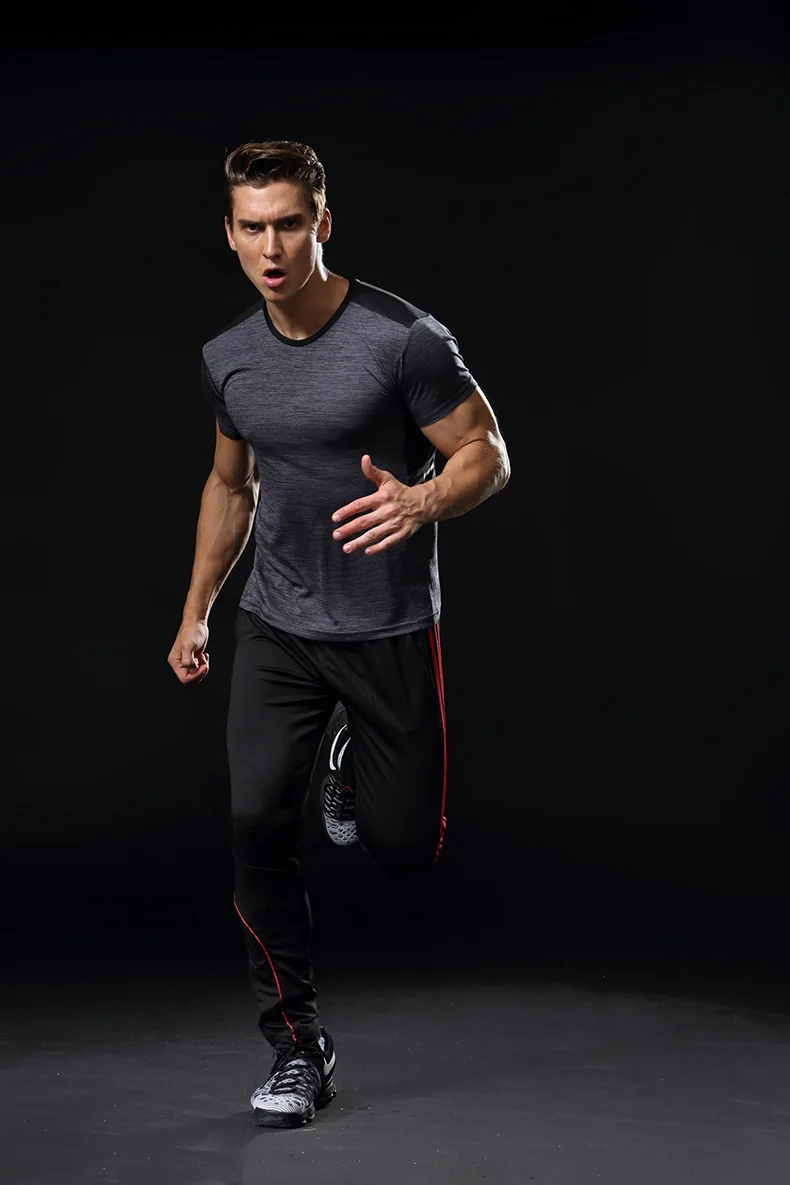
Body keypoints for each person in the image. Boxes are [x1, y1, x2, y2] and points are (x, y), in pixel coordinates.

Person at [167, 140, 511, 1128]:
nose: (272, 247)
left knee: (405, 850)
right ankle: (296, 1045)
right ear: (230, 235)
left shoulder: (403, 340)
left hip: (386, 626)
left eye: (289, 224)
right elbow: (231, 486)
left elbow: (487, 451)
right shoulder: (228, 358)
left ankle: (351, 758)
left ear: (322, 224)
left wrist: (425, 499)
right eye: (252, 227)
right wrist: (196, 608)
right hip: (278, 624)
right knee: (253, 829)